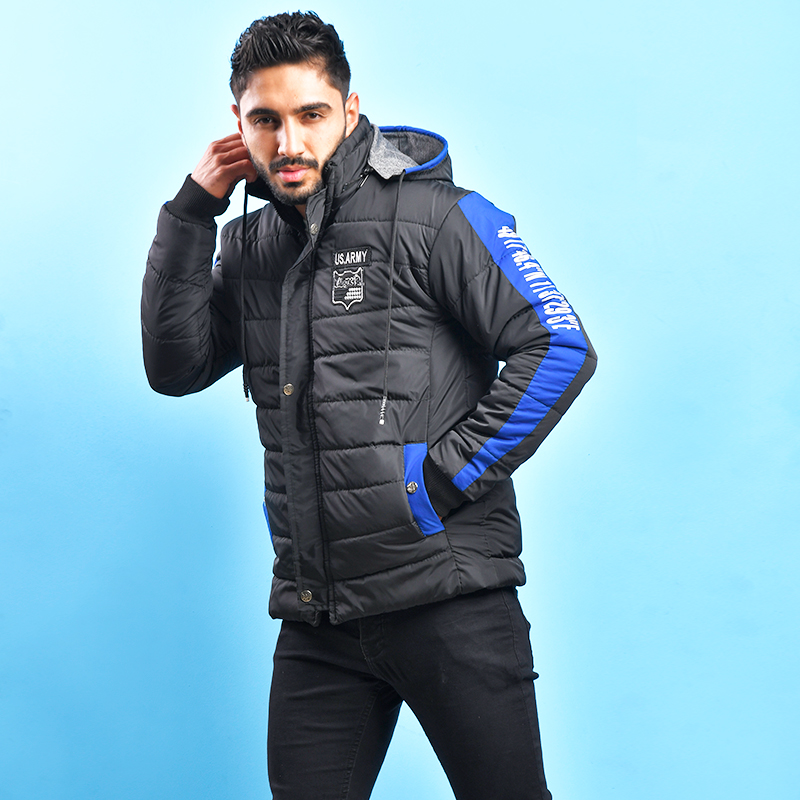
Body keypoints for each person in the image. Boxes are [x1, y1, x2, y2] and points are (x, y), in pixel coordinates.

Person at [141, 11, 596, 799]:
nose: (289, 142)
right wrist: (190, 212)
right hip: (319, 617)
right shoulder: (249, 246)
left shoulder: (436, 215)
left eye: (311, 114)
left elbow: (558, 346)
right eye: (266, 119)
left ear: (350, 111)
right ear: (237, 124)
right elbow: (175, 368)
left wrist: (437, 482)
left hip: (448, 599)